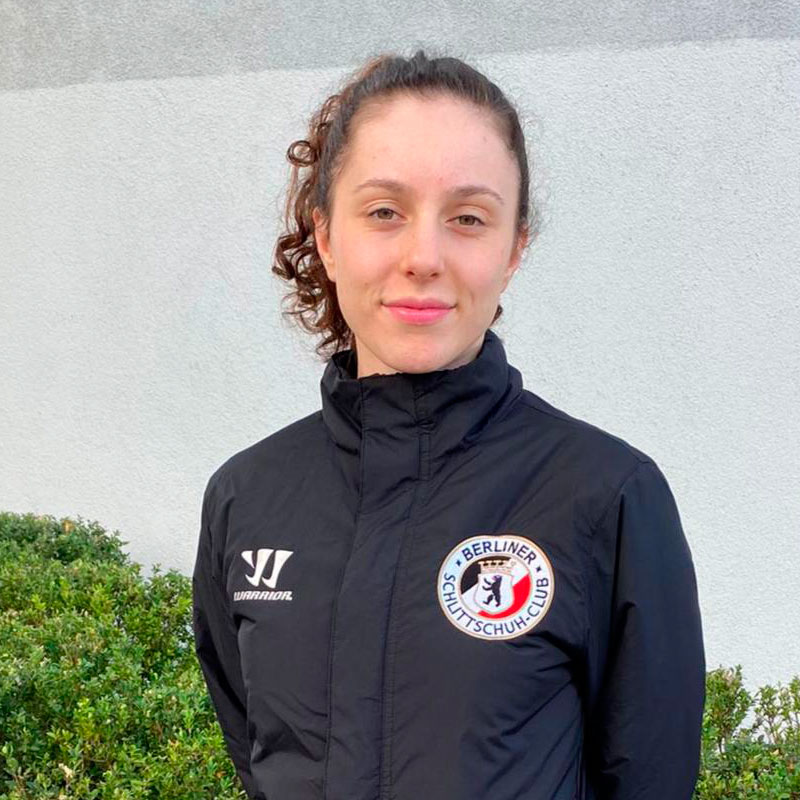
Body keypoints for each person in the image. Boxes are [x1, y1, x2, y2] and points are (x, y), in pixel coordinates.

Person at [191, 48, 706, 800]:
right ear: (326, 237)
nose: (423, 257)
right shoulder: (247, 497)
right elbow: (257, 748)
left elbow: (649, 776)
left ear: (514, 248)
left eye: (468, 218)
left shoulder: (606, 496)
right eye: (384, 212)